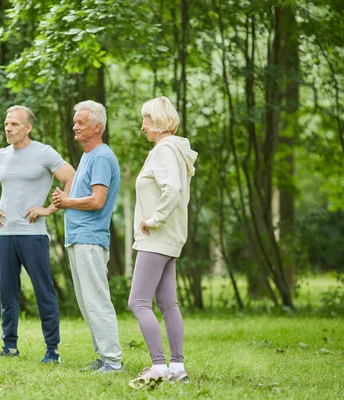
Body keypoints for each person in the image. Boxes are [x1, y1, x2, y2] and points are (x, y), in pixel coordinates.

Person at [0, 105, 75, 363]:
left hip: (33, 235)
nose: (8, 128)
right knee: (7, 292)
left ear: (28, 127)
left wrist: (48, 209)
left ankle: (52, 349)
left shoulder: (44, 153)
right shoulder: (1, 156)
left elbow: (71, 178)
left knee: (44, 291)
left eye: (14, 124)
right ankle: (9, 346)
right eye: (6, 123)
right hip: (5, 235)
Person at [127, 96, 197, 390]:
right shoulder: (173, 151)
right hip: (167, 238)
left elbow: (174, 189)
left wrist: (153, 220)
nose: (142, 126)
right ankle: (178, 369)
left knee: (138, 302)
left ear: (156, 121)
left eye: (145, 118)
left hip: (157, 237)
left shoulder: (164, 150)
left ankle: (158, 366)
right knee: (168, 303)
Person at [51, 100, 123, 373]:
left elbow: (97, 201)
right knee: (85, 301)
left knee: (97, 300)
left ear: (97, 127)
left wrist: (67, 202)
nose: (75, 127)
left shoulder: (102, 156)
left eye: (81, 123)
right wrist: (65, 199)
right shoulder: (87, 156)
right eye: (75, 122)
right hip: (78, 237)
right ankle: (103, 357)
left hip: (90, 238)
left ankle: (113, 361)